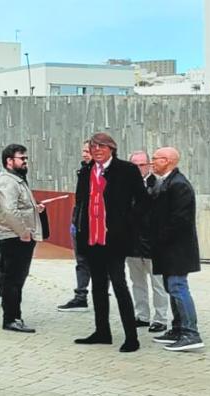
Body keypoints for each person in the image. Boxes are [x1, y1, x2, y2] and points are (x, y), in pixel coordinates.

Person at [73, 132, 145, 353]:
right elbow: (80, 203)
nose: (97, 150)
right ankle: (102, 331)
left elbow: (141, 202)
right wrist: (80, 230)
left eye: (101, 147)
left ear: (111, 148)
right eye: (93, 147)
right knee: (98, 286)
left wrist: (126, 225)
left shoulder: (127, 170)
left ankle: (132, 337)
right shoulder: (85, 172)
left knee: (119, 284)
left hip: (115, 239)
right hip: (92, 238)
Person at [146, 147, 204, 351]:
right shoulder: (164, 182)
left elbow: (180, 219)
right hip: (167, 248)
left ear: (169, 161)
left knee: (178, 287)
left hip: (177, 248)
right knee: (171, 288)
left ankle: (191, 333)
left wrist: (161, 238)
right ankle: (178, 328)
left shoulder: (179, 185)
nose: (152, 162)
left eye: (156, 159)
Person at [0, 144, 42, 333]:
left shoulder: (17, 179)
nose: (25, 162)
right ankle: (10, 319)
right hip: (14, 237)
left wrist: (35, 209)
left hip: (19, 236)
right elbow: (9, 210)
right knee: (13, 280)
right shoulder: (7, 181)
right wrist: (24, 232)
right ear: (9, 161)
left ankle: (15, 316)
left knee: (16, 279)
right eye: (22, 158)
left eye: (26, 158)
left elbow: (19, 207)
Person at [125, 150, 170, 333]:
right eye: (134, 165)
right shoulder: (124, 186)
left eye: (141, 165)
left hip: (153, 244)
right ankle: (142, 315)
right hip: (132, 243)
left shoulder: (159, 185)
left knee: (158, 283)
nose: (138, 168)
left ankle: (160, 318)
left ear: (149, 165)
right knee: (137, 282)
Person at [58, 141, 94, 312]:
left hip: (93, 226)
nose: (85, 154)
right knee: (81, 261)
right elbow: (80, 201)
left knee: (98, 262)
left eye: (89, 151)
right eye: (84, 151)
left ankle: (99, 293)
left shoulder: (100, 173)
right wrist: (74, 222)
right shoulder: (84, 171)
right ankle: (81, 296)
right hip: (79, 223)